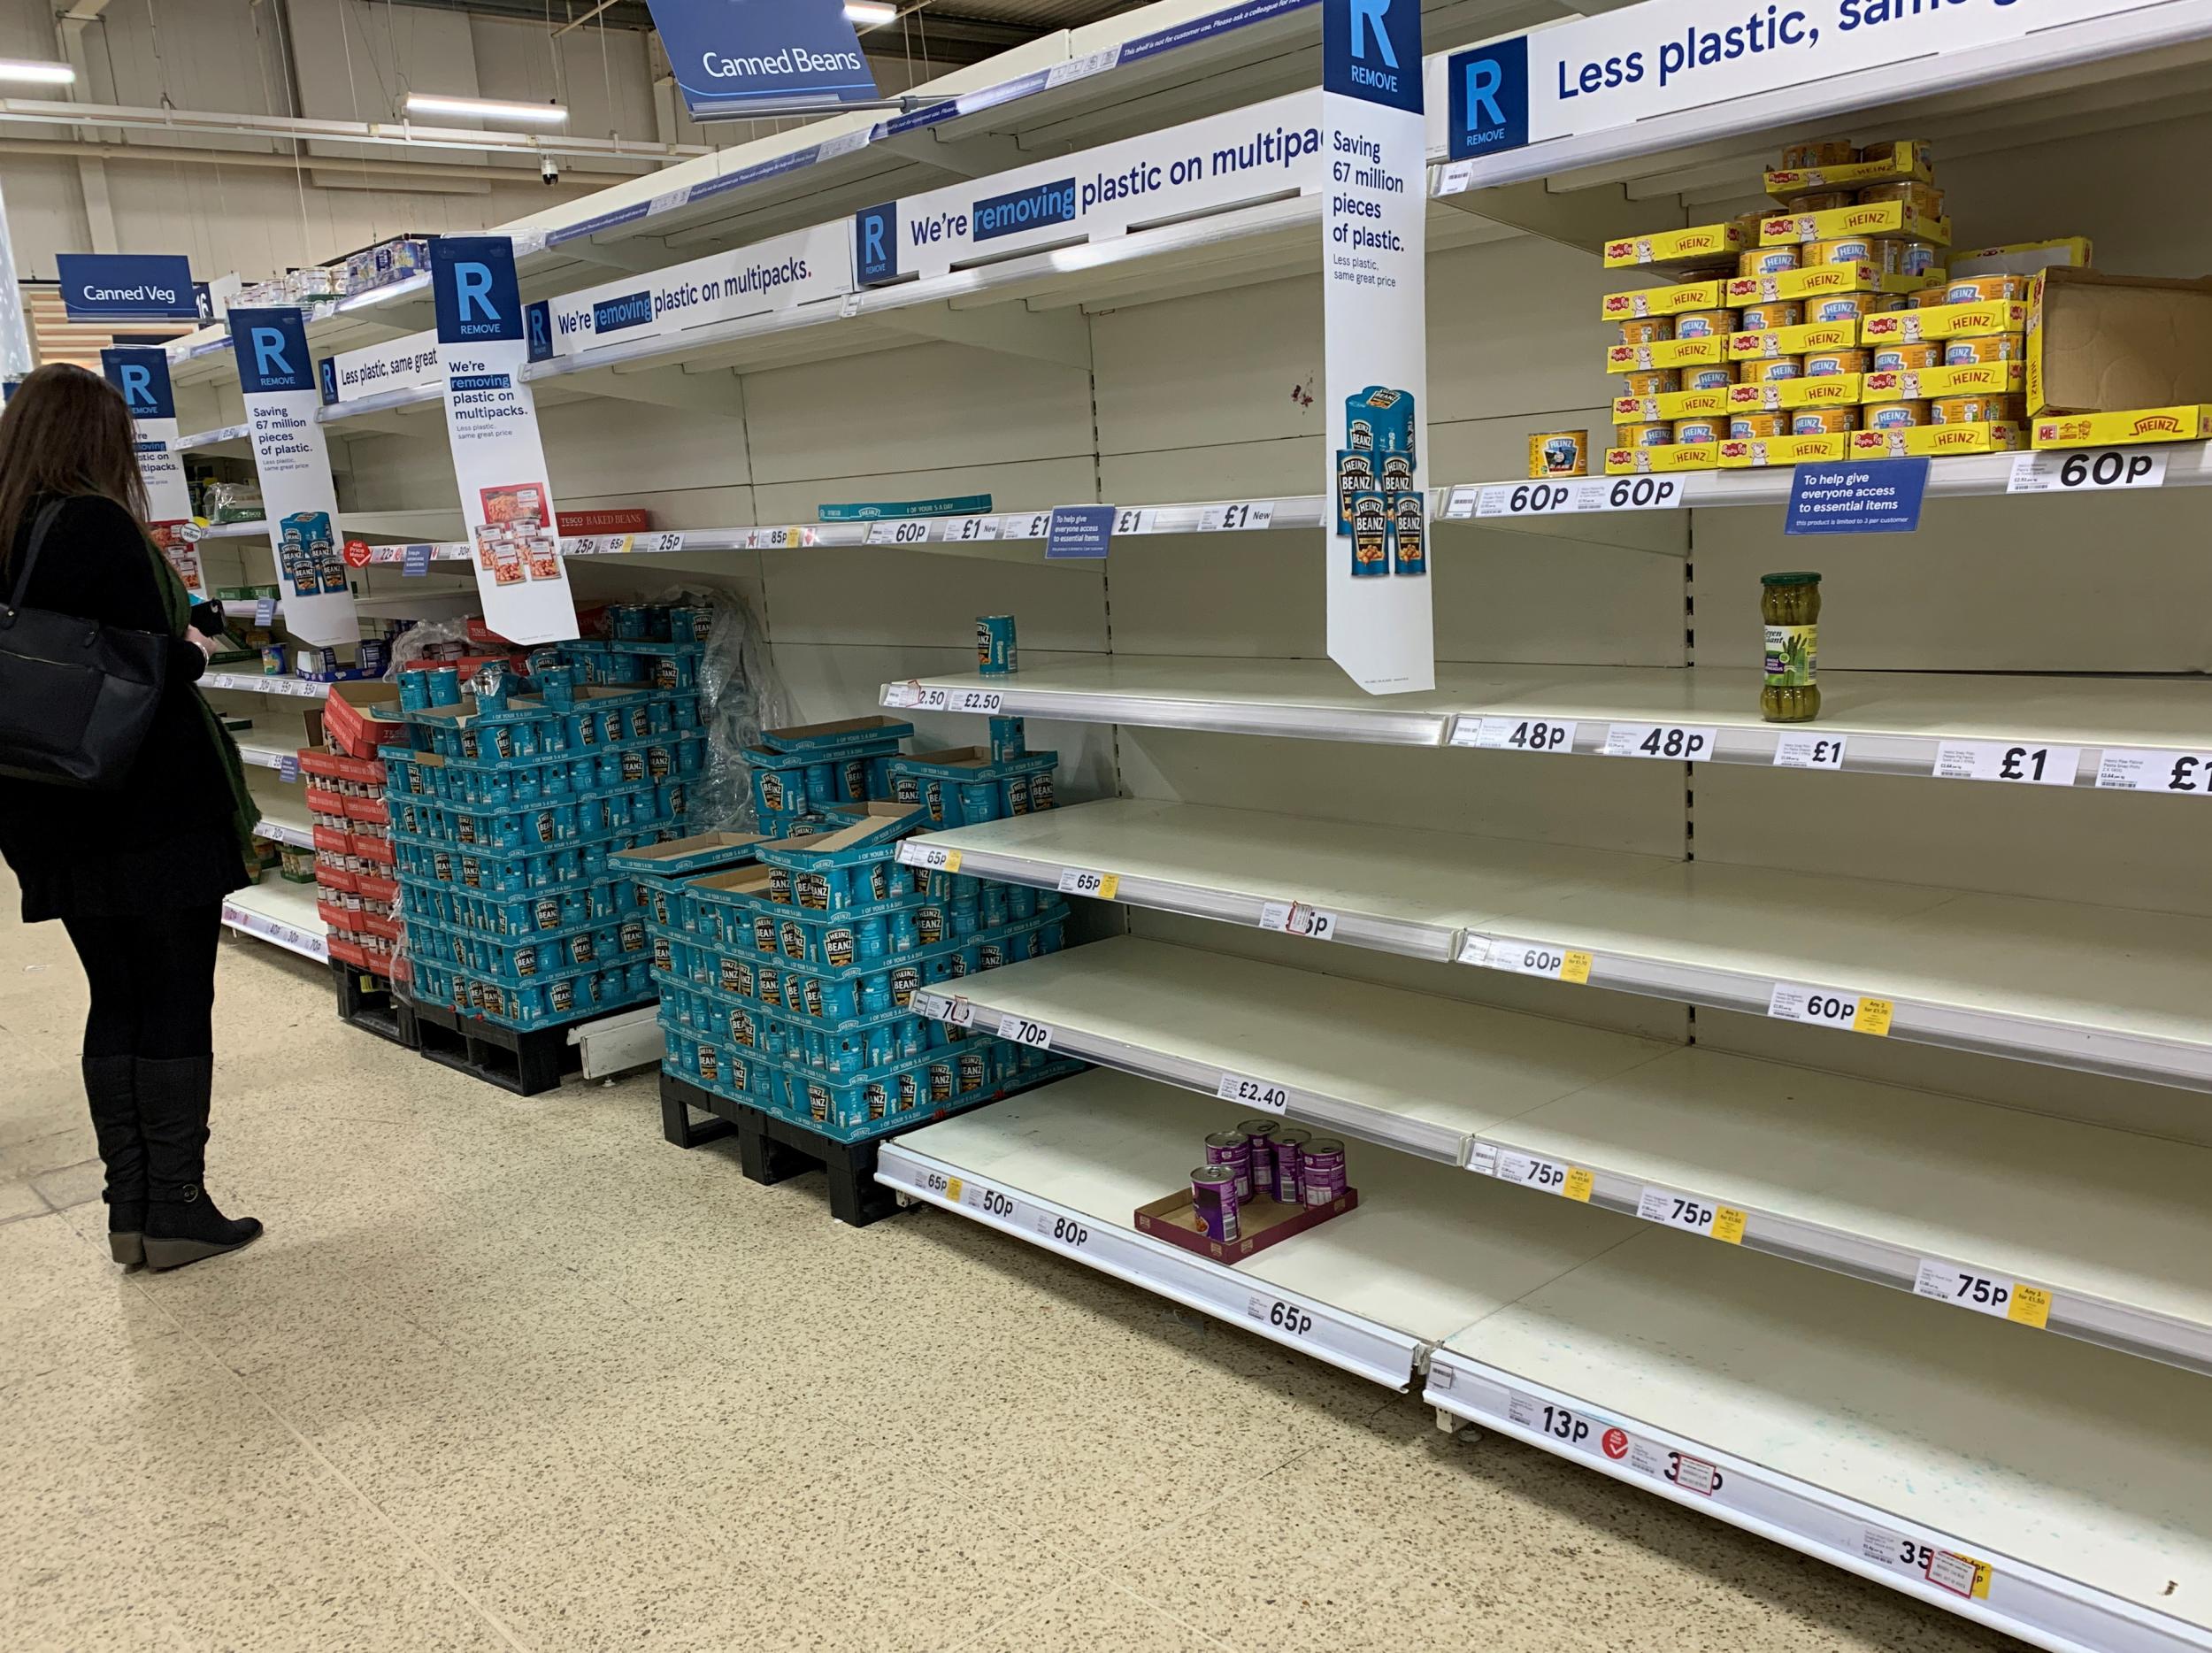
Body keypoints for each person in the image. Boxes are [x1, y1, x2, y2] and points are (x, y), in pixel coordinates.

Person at [0, 363, 263, 1271]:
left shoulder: (5, 527)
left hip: (40, 800)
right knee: (177, 991)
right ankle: (178, 1207)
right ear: (92, 441)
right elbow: (148, 666)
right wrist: (193, 643)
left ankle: (129, 1209)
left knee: (114, 994)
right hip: (146, 804)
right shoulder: (96, 521)